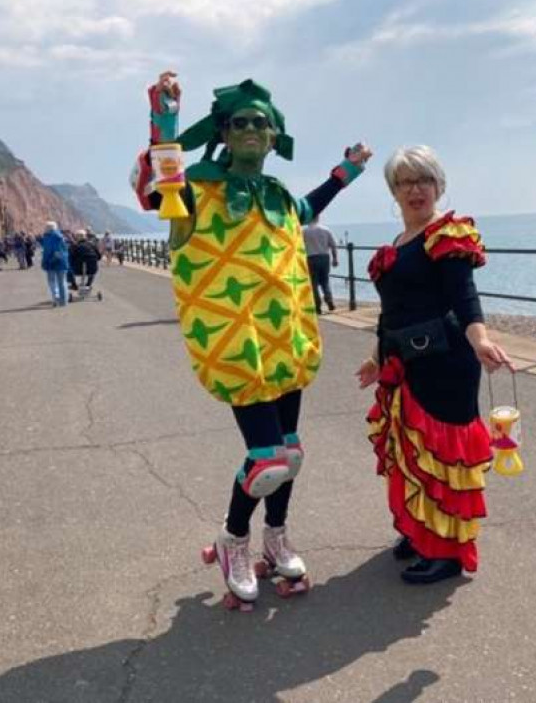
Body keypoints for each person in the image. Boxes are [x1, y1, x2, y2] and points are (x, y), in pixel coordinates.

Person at [131, 71, 371, 608]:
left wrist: (346, 172)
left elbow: (309, 209)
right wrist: (165, 118)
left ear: (272, 136)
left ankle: (276, 536)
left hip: (284, 338)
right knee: (266, 459)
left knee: (291, 454)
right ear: (222, 130)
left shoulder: (278, 195)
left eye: (261, 123)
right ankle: (234, 538)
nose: (250, 130)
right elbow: (160, 183)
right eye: (239, 122)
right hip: (237, 345)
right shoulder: (193, 192)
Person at [356, 145, 514, 585]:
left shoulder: (446, 234)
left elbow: (464, 295)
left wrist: (480, 337)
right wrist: (375, 359)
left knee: (443, 454)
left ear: (438, 185)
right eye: (405, 182)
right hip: (403, 365)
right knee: (410, 453)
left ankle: (446, 550)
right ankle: (419, 528)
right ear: (393, 191)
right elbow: (392, 313)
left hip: (446, 363)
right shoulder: (398, 245)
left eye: (423, 180)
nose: (415, 190)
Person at [303, 214, 339, 314]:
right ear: (318, 218)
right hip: (324, 257)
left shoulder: (304, 232)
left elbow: (300, 247)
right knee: (325, 281)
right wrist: (335, 258)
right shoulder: (326, 230)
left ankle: (317, 306)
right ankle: (329, 301)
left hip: (310, 258)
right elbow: (333, 245)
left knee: (313, 283)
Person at [40, 221, 69, 307]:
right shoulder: (60, 236)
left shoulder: (48, 237)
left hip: (51, 262)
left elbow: (53, 251)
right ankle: (63, 301)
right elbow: (63, 250)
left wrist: (48, 261)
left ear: (48, 228)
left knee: (52, 281)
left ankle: (55, 297)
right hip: (62, 262)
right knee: (62, 282)